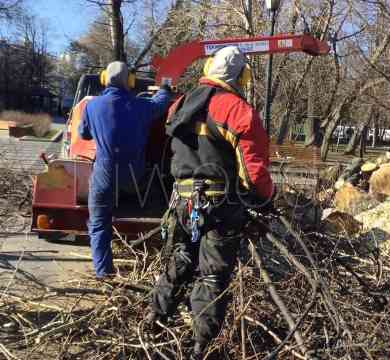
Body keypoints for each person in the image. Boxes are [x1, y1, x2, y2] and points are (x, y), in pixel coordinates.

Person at [147, 46, 274, 359]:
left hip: (183, 201)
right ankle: (201, 346)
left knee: (180, 257)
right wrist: (266, 199)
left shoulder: (180, 105)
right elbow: (254, 173)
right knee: (212, 275)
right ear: (242, 76)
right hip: (220, 207)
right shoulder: (236, 110)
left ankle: (154, 319)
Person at [78, 61, 172, 279]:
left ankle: (104, 274)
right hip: (135, 178)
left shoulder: (92, 106)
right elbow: (160, 103)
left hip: (104, 176)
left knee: (99, 223)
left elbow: (84, 135)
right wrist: (165, 89)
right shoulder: (141, 106)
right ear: (130, 81)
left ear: (104, 79)